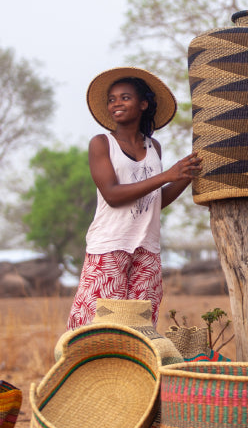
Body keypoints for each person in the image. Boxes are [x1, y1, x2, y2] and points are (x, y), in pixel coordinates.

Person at [67, 67, 201, 329]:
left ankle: (129, 372)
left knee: (138, 329)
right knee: (95, 326)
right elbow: (113, 195)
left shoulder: (154, 147)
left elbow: (154, 201)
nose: (116, 103)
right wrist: (167, 175)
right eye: (112, 99)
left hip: (147, 249)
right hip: (109, 247)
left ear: (143, 104)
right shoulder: (102, 144)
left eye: (125, 97)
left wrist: (184, 175)